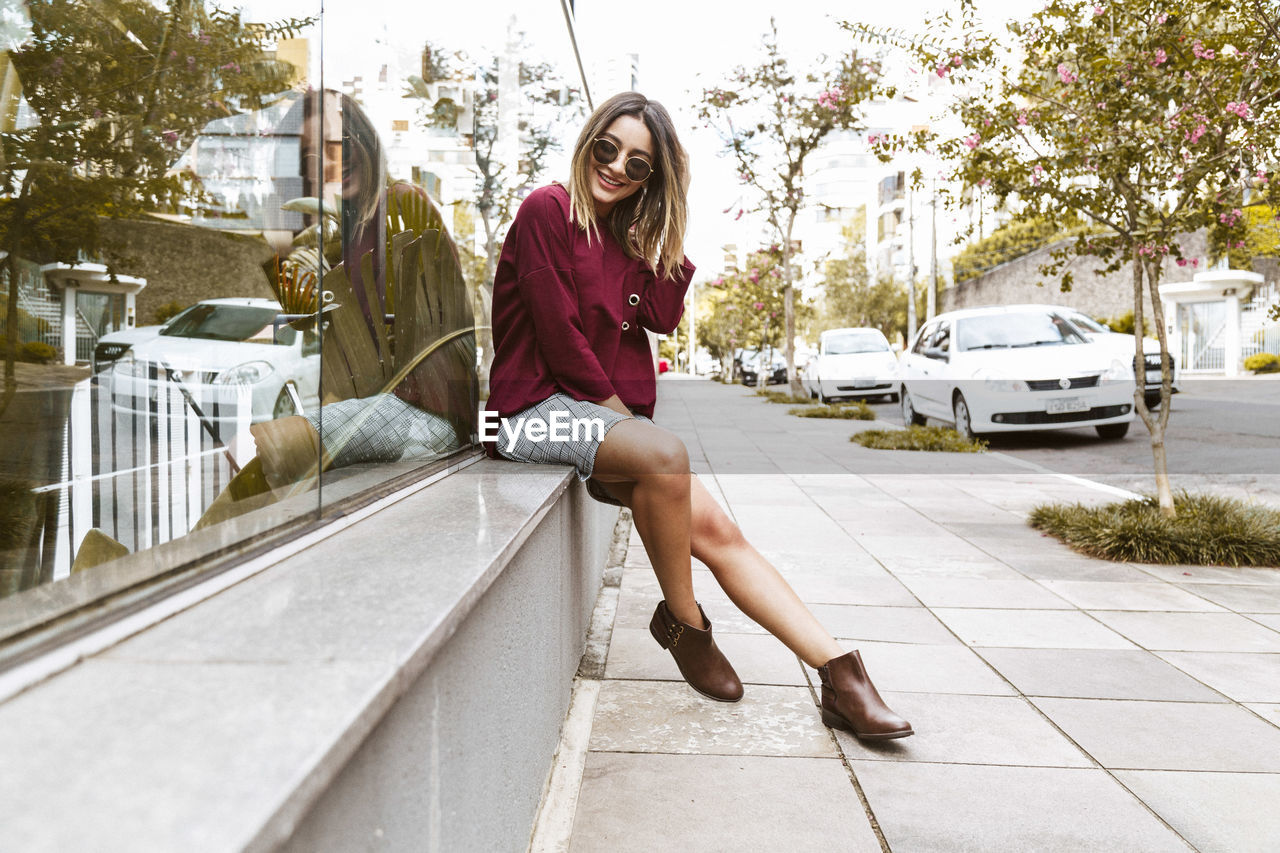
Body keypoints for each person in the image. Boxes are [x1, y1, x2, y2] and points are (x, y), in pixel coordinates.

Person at [484, 92, 911, 740]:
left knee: (719, 533)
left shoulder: (627, 232)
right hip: (531, 411)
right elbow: (561, 339)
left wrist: (667, 223)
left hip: (596, 420)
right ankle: (686, 627)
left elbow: (661, 315)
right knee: (666, 456)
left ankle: (840, 676)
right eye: (609, 149)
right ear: (588, 140)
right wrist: (632, 428)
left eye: (639, 164)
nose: (617, 168)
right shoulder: (547, 208)